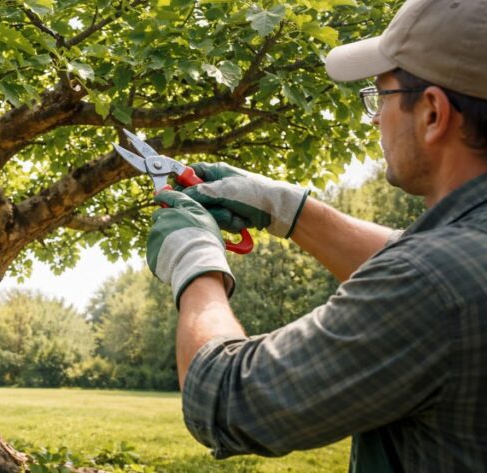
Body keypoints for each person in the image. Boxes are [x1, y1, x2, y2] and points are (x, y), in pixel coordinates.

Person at [145, 0, 487, 471]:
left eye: (379, 95)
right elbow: (439, 263)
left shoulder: (430, 283)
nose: (373, 119)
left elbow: (223, 399)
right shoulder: (462, 259)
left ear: (432, 112)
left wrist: (195, 259)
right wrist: (287, 209)